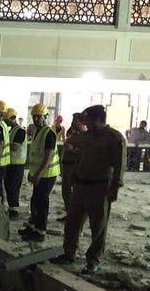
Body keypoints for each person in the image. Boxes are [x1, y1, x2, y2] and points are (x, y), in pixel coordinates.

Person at [50, 105, 126, 275]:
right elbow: (71, 143)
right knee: (72, 223)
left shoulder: (114, 138)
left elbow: (120, 165)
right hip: (80, 185)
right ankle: (68, 253)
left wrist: (115, 186)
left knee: (98, 226)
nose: (84, 123)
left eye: (87, 119)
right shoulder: (86, 136)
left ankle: (93, 260)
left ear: (98, 119)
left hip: (100, 187)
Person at [19, 103, 60, 242]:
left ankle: (40, 232)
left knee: (42, 202)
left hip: (47, 174)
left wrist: (38, 174)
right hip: (40, 174)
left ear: (45, 117)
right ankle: (32, 227)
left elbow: (48, 157)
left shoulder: (49, 133)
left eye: (39, 116)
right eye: (34, 117)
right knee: (35, 200)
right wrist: (33, 173)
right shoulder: (38, 131)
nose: (36, 119)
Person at [58, 112, 86, 221]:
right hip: (67, 165)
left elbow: (85, 151)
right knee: (66, 191)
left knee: (75, 193)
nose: (72, 123)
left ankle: (75, 216)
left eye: (75, 121)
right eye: (72, 120)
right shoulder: (72, 133)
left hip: (75, 166)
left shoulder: (85, 135)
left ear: (81, 122)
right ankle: (69, 213)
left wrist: (73, 150)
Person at [4, 108, 26, 220]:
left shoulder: (20, 131)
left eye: (7, 120)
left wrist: (2, 145)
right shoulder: (11, 130)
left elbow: (15, 147)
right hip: (10, 163)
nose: (6, 122)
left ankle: (15, 211)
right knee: (9, 186)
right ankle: (11, 208)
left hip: (17, 164)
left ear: (13, 118)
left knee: (13, 187)